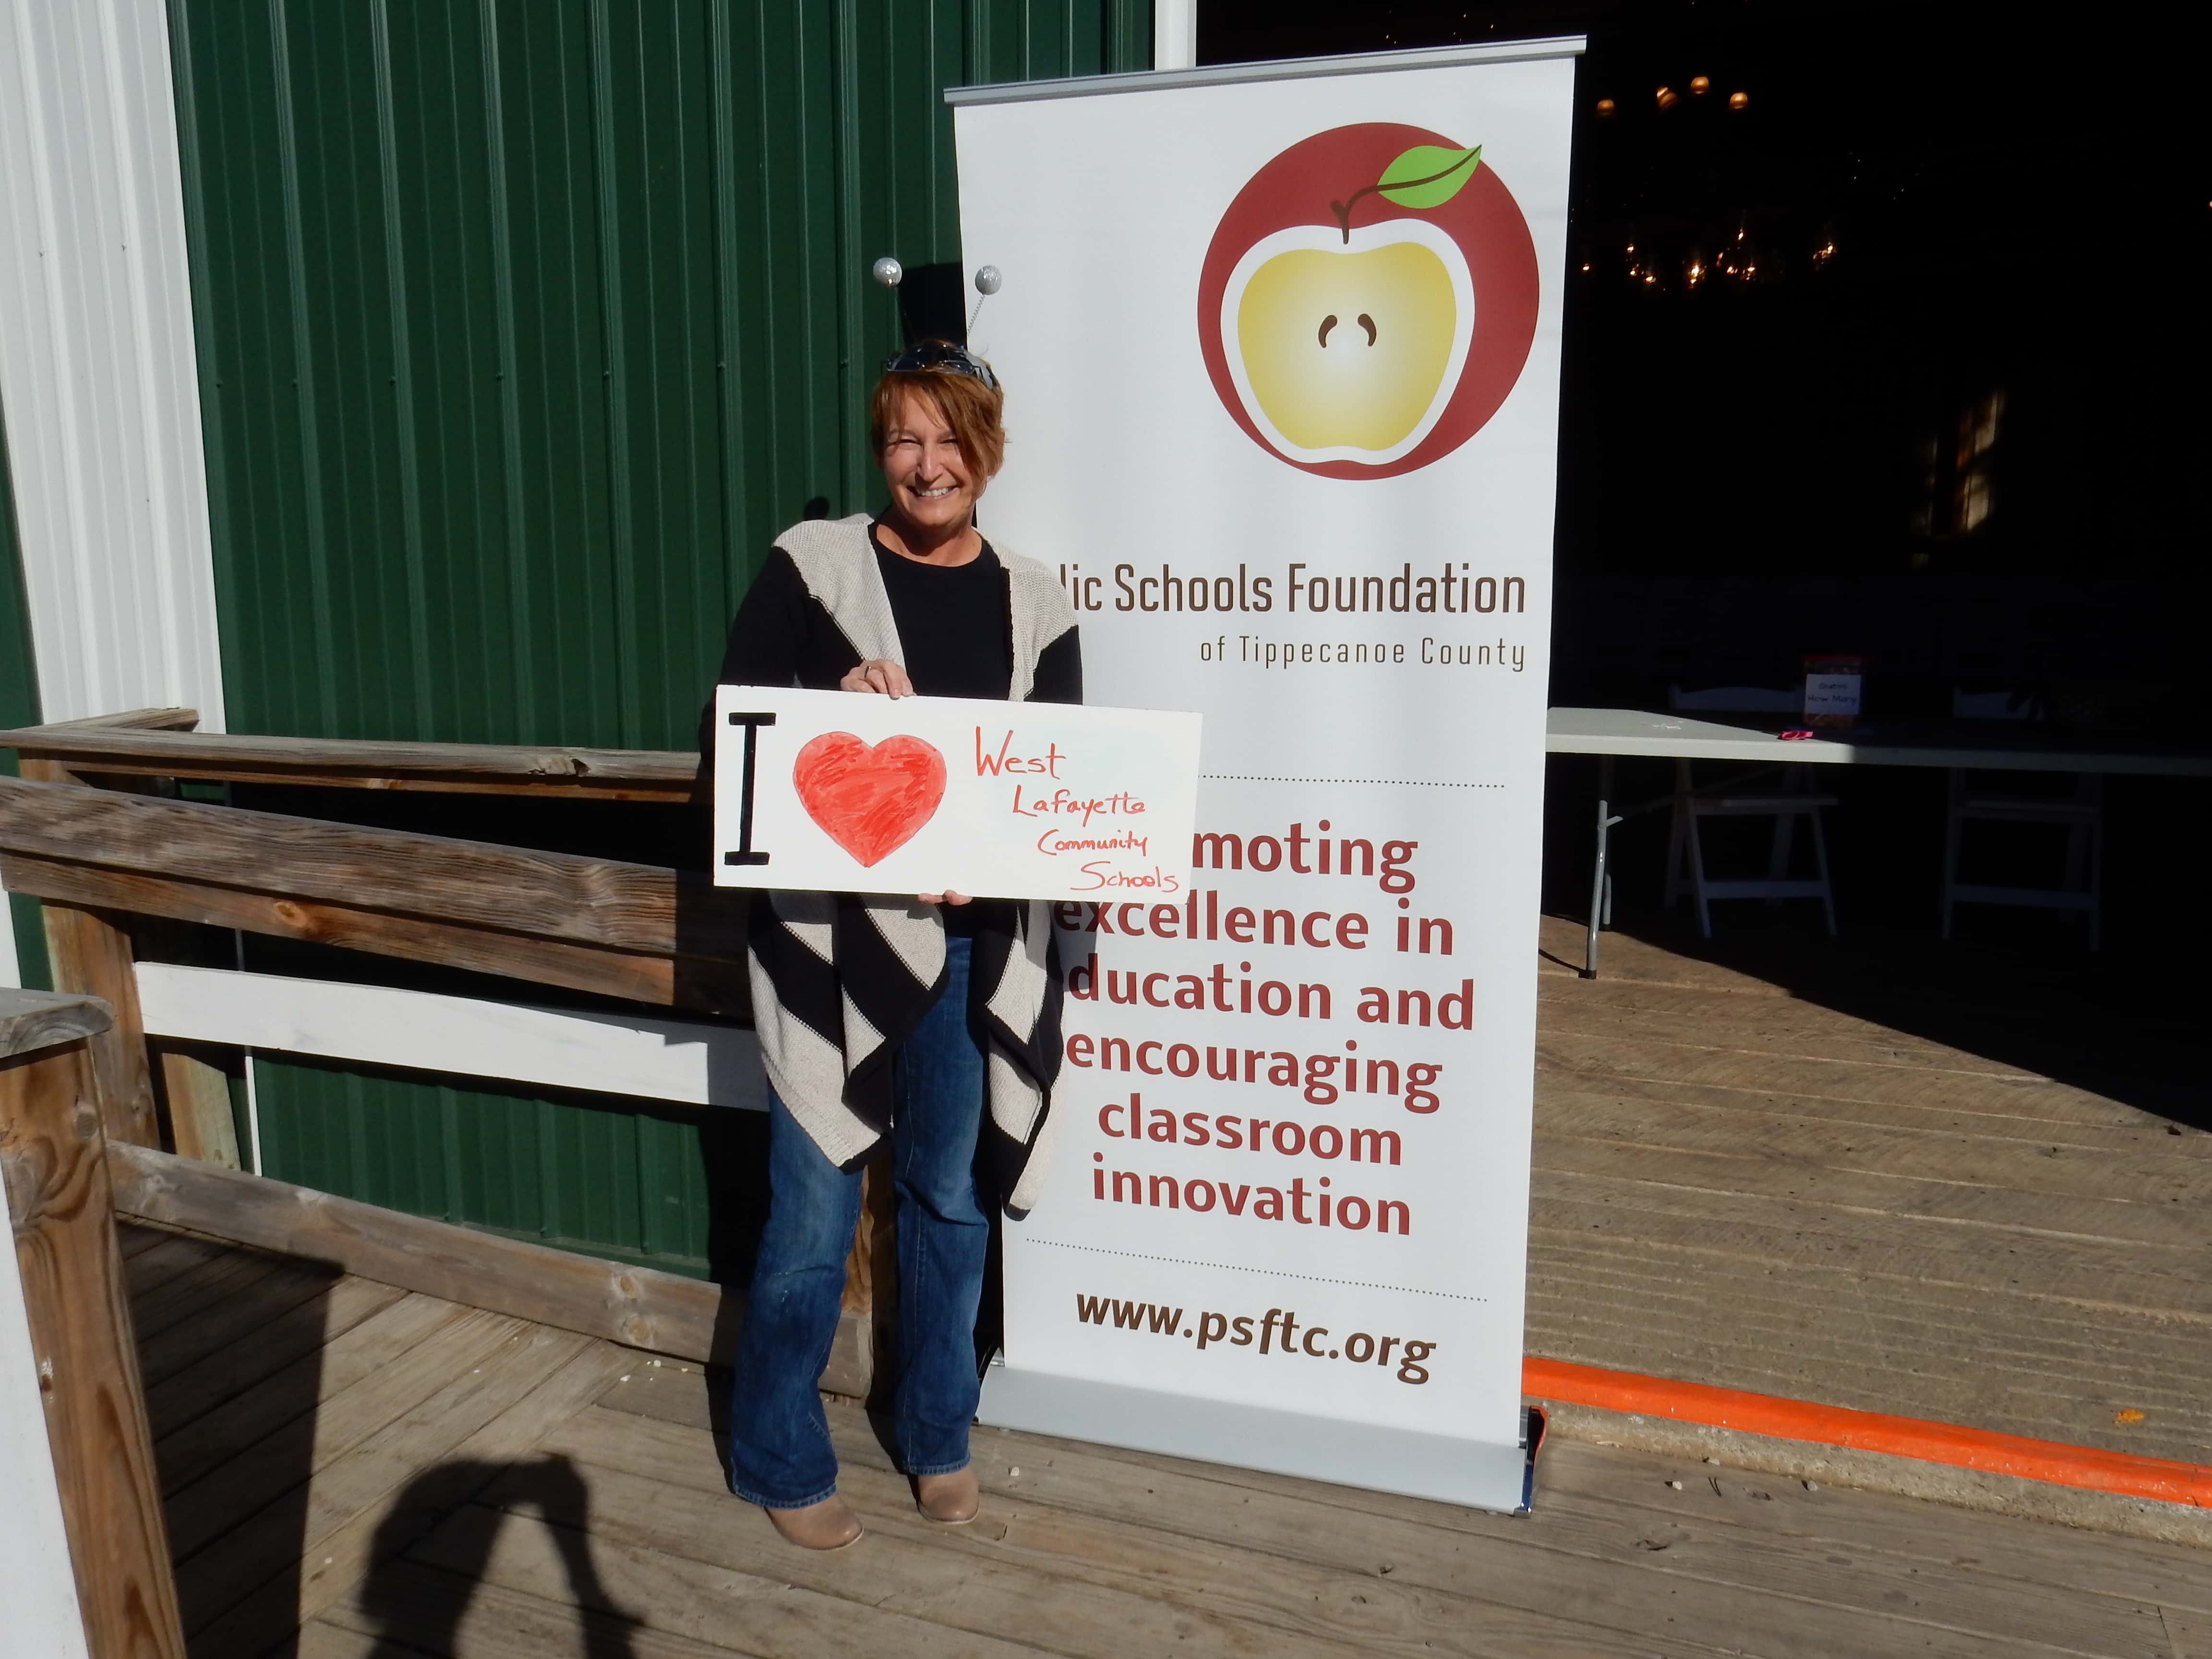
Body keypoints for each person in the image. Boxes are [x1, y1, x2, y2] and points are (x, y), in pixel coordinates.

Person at [713, 340, 1079, 1550]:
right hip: (828, 949)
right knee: (811, 1219)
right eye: (905, 441)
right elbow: (738, 744)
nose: (929, 465)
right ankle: (778, 1453)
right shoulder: (812, 568)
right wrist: (836, 709)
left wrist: (1012, 856)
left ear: (988, 452)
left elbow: (1059, 778)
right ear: (882, 452)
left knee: (950, 1200)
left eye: (951, 439)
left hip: (973, 944)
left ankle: (937, 1433)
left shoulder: (1037, 598)